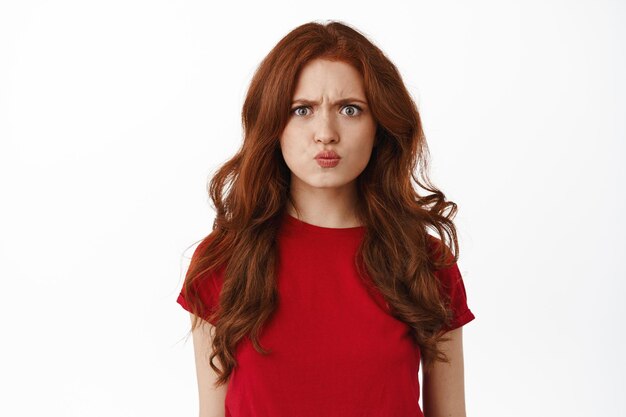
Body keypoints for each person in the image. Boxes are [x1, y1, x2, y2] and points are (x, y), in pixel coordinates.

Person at [177, 19, 476, 417]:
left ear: (379, 125)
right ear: (273, 124)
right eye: (302, 110)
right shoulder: (222, 261)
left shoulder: (425, 262)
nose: (325, 133)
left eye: (350, 109)